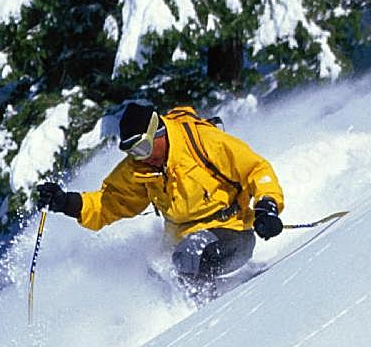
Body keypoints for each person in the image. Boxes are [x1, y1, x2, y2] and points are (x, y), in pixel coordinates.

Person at [35, 98, 285, 287]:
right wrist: (66, 202)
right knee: (141, 275)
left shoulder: (201, 141)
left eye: (143, 148)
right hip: (180, 243)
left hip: (233, 232)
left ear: (159, 131)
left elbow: (256, 169)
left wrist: (267, 207)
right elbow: (110, 203)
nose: (139, 157)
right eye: (131, 152)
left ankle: (204, 320)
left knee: (190, 253)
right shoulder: (140, 167)